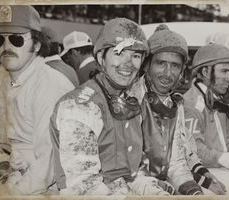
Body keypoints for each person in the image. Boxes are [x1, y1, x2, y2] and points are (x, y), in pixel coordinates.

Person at [50, 18, 173, 195]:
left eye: (136, 56)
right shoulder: (79, 107)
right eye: (120, 53)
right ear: (101, 57)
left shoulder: (129, 99)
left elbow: (132, 172)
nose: (129, 64)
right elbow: (85, 188)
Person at [138, 24, 226, 195]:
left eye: (175, 66)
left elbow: (177, 161)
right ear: (146, 65)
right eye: (161, 63)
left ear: (181, 71)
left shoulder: (175, 103)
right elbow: (132, 170)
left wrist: (196, 188)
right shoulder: (129, 100)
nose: (167, 73)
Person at [0, 5, 74, 194]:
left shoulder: (48, 84)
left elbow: (45, 166)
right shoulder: (6, 80)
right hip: (19, 173)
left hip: (51, 185)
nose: (6, 47)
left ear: (37, 45)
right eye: (0, 39)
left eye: (16, 39)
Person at [183, 43, 229, 194]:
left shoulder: (218, 99)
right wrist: (228, 159)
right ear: (206, 71)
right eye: (224, 71)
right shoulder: (191, 103)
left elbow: (228, 138)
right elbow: (194, 150)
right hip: (204, 172)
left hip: (225, 167)